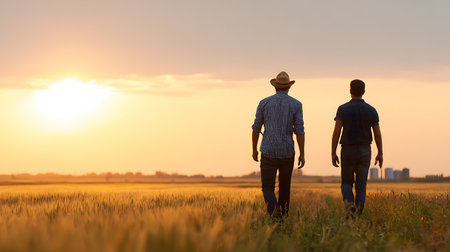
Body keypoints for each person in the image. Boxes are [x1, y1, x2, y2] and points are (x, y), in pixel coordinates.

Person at [252, 71, 305, 218]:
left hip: (268, 150)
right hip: (287, 151)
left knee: (267, 188)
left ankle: (275, 216)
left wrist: (254, 149)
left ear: (275, 87)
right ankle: (284, 219)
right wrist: (302, 153)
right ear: (289, 87)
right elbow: (299, 130)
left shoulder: (264, 103)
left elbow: (256, 127)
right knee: (284, 188)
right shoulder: (296, 104)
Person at [331, 79, 383, 218]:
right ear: (364, 91)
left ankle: (349, 207)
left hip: (347, 150)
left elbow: (336, 132)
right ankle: (358, 214)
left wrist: (333, 152)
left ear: (350, 91)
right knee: (361, 186)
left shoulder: (342, 109)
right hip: (365, 151)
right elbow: (377, 134)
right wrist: (380, 153)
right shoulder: (372, 110)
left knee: (346, 183)